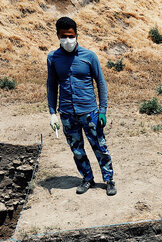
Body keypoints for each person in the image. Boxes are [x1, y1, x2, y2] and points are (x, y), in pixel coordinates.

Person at [46, 16, 117, 196]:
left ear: (77, 35)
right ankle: (87, 178)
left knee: (100, 147)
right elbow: (51, 85)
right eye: (63, 36)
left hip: (90, 112)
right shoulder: (53, 58)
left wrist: (102, 111)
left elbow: (101, 83)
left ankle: (109, 180)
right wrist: (52, 112)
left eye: (70, 35)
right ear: (58, 36)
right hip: (68, 113)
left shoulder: (89, 56)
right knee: (77, 150)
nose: (67, 40)